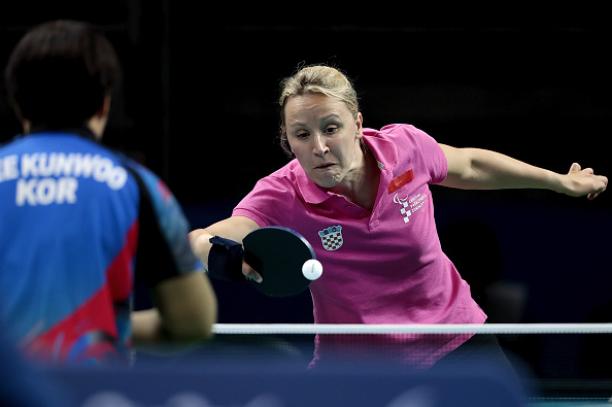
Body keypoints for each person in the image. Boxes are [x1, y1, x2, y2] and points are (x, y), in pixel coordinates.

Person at [189, 64, 607, 367]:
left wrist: (557, 182)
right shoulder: (282, 192)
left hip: (452, 338)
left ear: (357, 124)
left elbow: (470, 165)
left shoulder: (404, 148)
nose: (319, 146)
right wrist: (219, 252)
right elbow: (212, 235)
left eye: (331, 128)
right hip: (356, 364)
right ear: (289, 142)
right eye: (302, 134)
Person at [0, 20, 217, 363]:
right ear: (104, 104)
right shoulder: (134, 185)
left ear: (17, 103)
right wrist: (100, 325)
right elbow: (192, 321)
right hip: (93, 392)